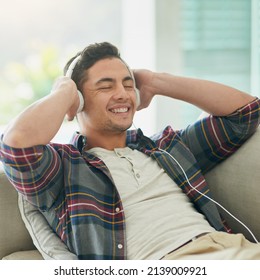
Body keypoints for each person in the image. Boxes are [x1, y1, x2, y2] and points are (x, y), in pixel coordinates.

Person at [1, 42, 260, 260]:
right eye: (106, 86)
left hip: (236, 251)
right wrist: (63, 91)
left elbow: (245, 112)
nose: (122, 94)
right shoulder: (64, 169)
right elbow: (16, 146)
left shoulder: (166, 147)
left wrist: (158, 82)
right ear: (78, 100)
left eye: (127, 84)